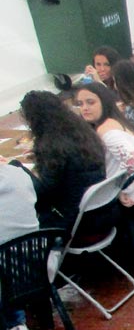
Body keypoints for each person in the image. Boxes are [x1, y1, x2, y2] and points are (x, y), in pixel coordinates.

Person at [15, 92, 108, 236]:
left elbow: (43, 193)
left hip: (72, 221)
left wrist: (17, 168)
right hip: (102, 211)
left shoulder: (52, 147)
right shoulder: (81, 132)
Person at [76, 83, 134, 208]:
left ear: (104, 102)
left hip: (127, 198)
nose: (84, 108)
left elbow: (133, 161)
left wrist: (122, 190)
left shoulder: (106, 130)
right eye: (80, 104)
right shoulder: (117, 120)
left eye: (90, 102)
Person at [0, 165, 39, 330]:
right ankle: (16, 324)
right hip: (36, 270)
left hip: (7, 282)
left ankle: (14, 322)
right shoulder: (20, 173)